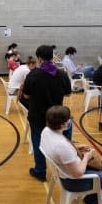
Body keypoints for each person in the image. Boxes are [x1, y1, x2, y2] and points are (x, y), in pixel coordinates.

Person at [40, 105, 102, 204]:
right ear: (63, 124)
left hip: (61, 171)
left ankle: (96, 194)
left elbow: (59, 152)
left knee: (101, 166)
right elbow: (77, 173)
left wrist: (75, 148)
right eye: (68, 120)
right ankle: (90, 201)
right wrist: (87, 157)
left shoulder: (46, 131)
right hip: (72, 182)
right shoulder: (62, 146)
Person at [23, 45, 71, 182]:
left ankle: (40, 171)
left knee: (38, 142)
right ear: (52, 56)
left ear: (39, 58)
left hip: (37, 115)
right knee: (63, 140)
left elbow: (26, 95)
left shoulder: (33, 74)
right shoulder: (61, 73)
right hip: (57, 116)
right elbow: (68, 93)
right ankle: (65, 169)